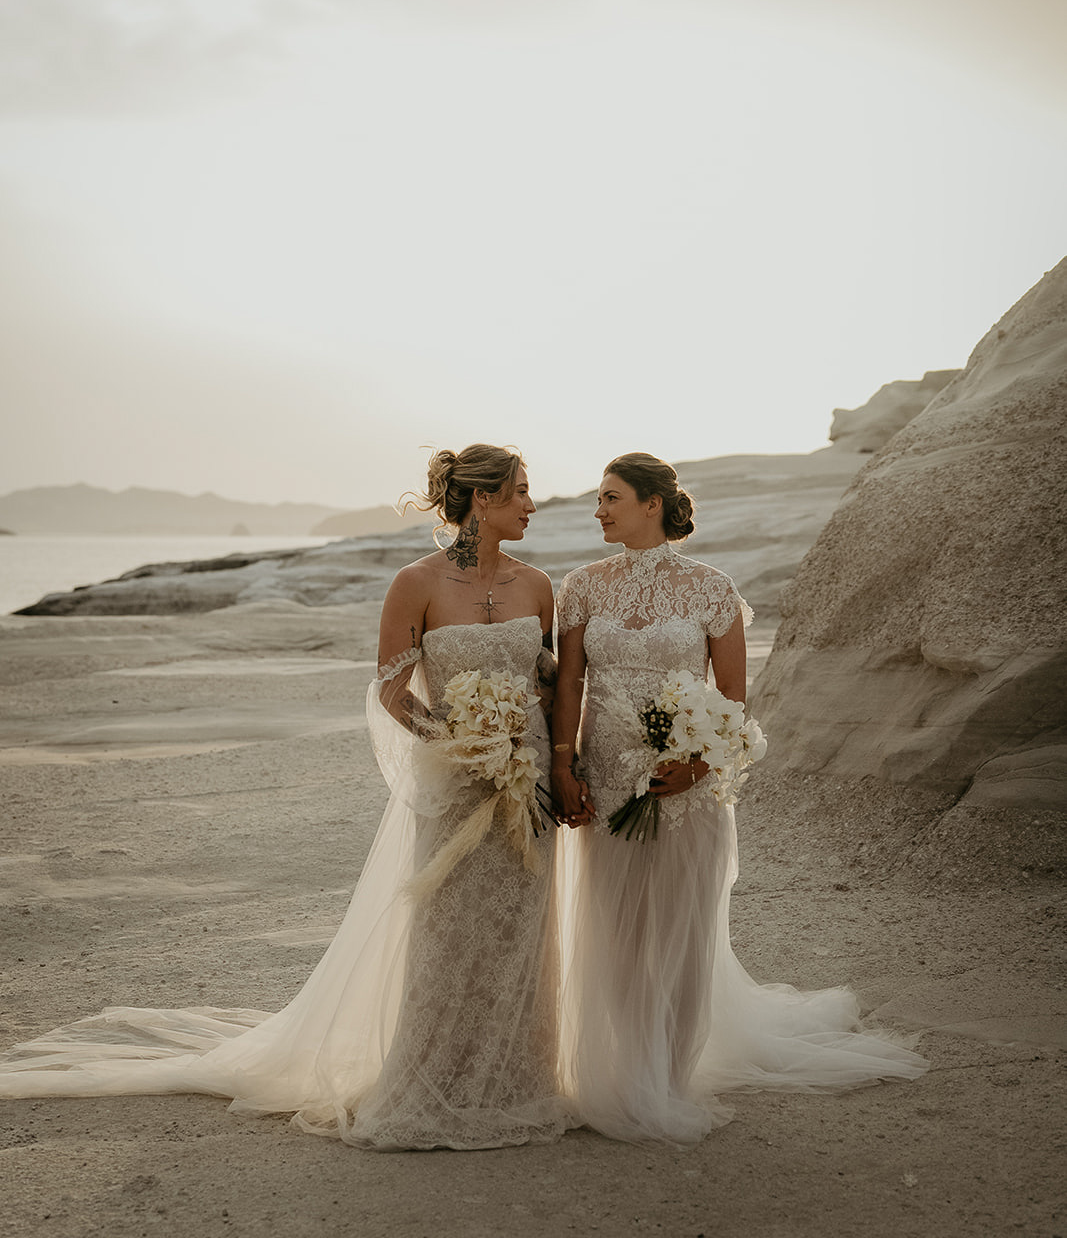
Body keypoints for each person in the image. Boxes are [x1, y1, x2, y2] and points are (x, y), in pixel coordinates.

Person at [0, 445, 571, 1151]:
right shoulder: (414, 583)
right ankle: (433, 1082)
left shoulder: (540, 585)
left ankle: (519, 1081)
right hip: (456, 786)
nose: (530, 504)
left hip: (528, 785)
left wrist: (537, 748)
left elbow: (546, 679)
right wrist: (461, 745)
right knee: (448, 932)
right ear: (480, 501)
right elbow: (391, 691)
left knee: (523, 930)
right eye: (519, 491)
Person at [551, 452, 927, 1146]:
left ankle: (662, 1077)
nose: (598, 510)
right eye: (597, 500)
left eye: (609, 498)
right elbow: (568, 683)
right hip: (603, 781)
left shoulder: (711, 589)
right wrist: (564, 764)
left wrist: (697, 763)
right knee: (610, 930)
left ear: (651, 504)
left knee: (679, 930)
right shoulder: (578, 587)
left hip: (685, 790)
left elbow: (730, 698)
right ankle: (607, 1070)